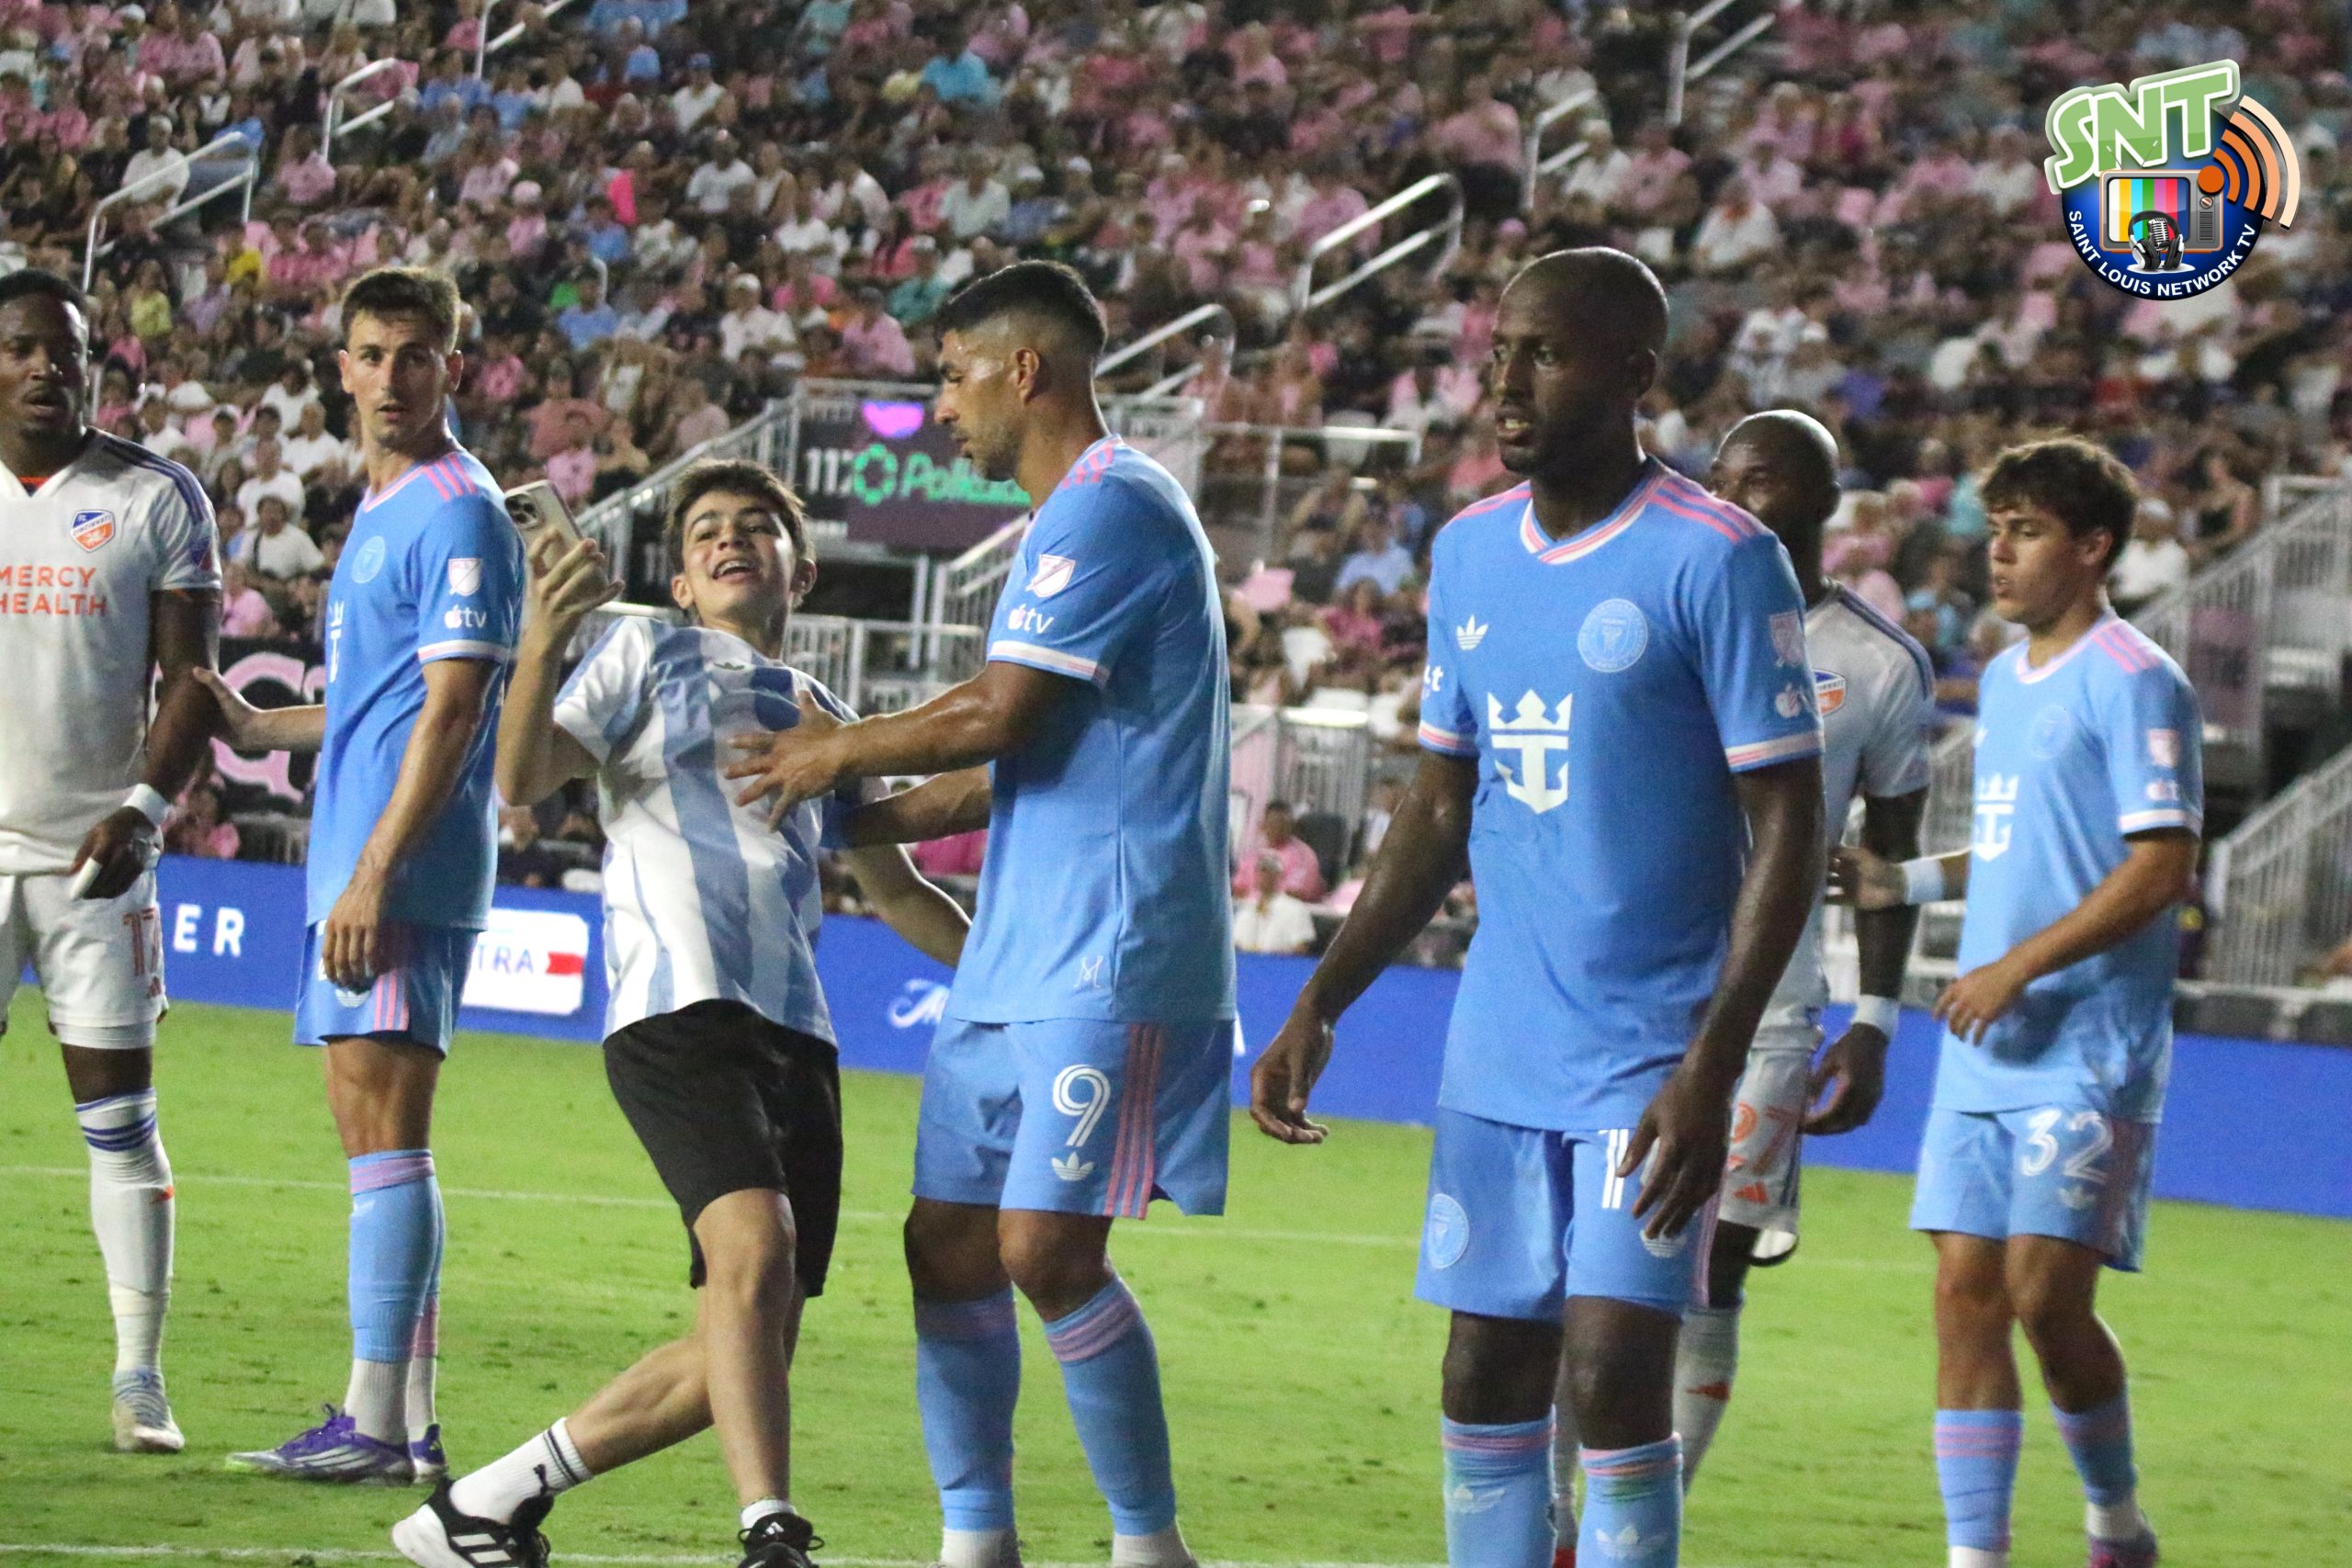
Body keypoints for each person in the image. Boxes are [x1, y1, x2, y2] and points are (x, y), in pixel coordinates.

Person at [1249, 249, 1826, 1568]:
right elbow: (1435, 807)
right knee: (1481, 1378)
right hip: (1501, 1042)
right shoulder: (1465, 552)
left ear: (1633, 374)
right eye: (1499, 350)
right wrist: (1323, 998)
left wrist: (1714, 1061)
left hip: (1651, 1052)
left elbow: (1791, 825)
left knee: (1613, 1376)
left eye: (1546, 354)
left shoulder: (1719, 557)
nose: (1506, 381)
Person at [726, 261, 1233, 1568]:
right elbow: (1011, 753)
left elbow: (999, 712)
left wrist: (830, 754)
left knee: (1043, 1248)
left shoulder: (1111, 506)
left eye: (952, 376)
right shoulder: (1065, 521)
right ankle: (975, 1542)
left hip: (1111, 950)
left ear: (1026, 369)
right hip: (1019, 955)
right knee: (947, 1245)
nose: (941, 406)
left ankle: (1151, 1548)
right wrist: (857, 817)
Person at [393, 459, 968, 1568]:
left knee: (749, 1345)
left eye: (756, 525)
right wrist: (548, 639)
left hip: (797, 1032)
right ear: (681, 582)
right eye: (705, 532)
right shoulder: (643, 653)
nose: (729, 539)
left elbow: (897, 892)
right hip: (677, 1003)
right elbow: (522, 776)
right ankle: (769, 1528)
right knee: (755, 1250)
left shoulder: (830, 719)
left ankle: (483, 1506)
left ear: (800, 570)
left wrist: (1008, 969)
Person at [1548, 408, 1933, 1535]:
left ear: (1820, 503)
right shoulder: (1655, 611)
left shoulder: (1878, 664)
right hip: (1625, 994)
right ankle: (1559, 1523)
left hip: (1769, 1013)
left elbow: (1890, 858)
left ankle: (1636, 1526)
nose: (1729, 498)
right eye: (1719, 477)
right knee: (1592, 1266)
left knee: (1710, 1267)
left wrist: (1875, 1021)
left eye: (1758, 480)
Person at [1834, 438, 2201, 1568]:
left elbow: (2160, 866)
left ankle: (2114, 1521)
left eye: (2026, 531)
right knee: (1963, 1295)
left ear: (2091, 547)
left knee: (2045, 1300)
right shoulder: (2001, 678)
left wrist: (2016, 968)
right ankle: (1975, 1557)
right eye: (1994, 528)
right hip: (1985, 1040)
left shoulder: (2136, 679)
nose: (1997, 552)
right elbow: (2015, 848)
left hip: (2086, 1043)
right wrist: (1908, 882)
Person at [202, 267, 526, 1484]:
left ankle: (376, 1424)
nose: (393, 376)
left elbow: (454, 709)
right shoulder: (385, 509)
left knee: (386, 1130)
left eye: (416, 354)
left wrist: (376, 871)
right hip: (362, 855)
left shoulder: (460, 510)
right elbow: (374, 703)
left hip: (400, 865)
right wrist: (259, 727)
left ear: (455, 366)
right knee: (372, 1128)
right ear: (341, 368)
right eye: (373, 354)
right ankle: (405, 1420)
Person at [0, 266, 222, 1456]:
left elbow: (194, 681)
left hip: (97, 855)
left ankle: (140, 1377)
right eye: (22, 347)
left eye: (68, 350)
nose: (47, 366)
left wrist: (143, 808)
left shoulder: (155, 496)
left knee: (120, 1119)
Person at [1228, 798, 1325, 901]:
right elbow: (1238, 888)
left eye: (1283, 824)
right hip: (1250, 907)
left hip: (1285, 908)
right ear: (1263, 825)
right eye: (1273, 823)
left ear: (1293, 827)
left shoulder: (1303, 855)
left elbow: (1297, 893)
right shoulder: (1253, 854)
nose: (1277, 828)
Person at [1233, 852, 1317, 955]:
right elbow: (1235, 943)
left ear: (1280, 876)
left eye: (1271, 873)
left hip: (1279, 962)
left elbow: (1301, 948)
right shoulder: (1246, 909)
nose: (1266, 877)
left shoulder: (1296, 909)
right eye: (1262, 872)